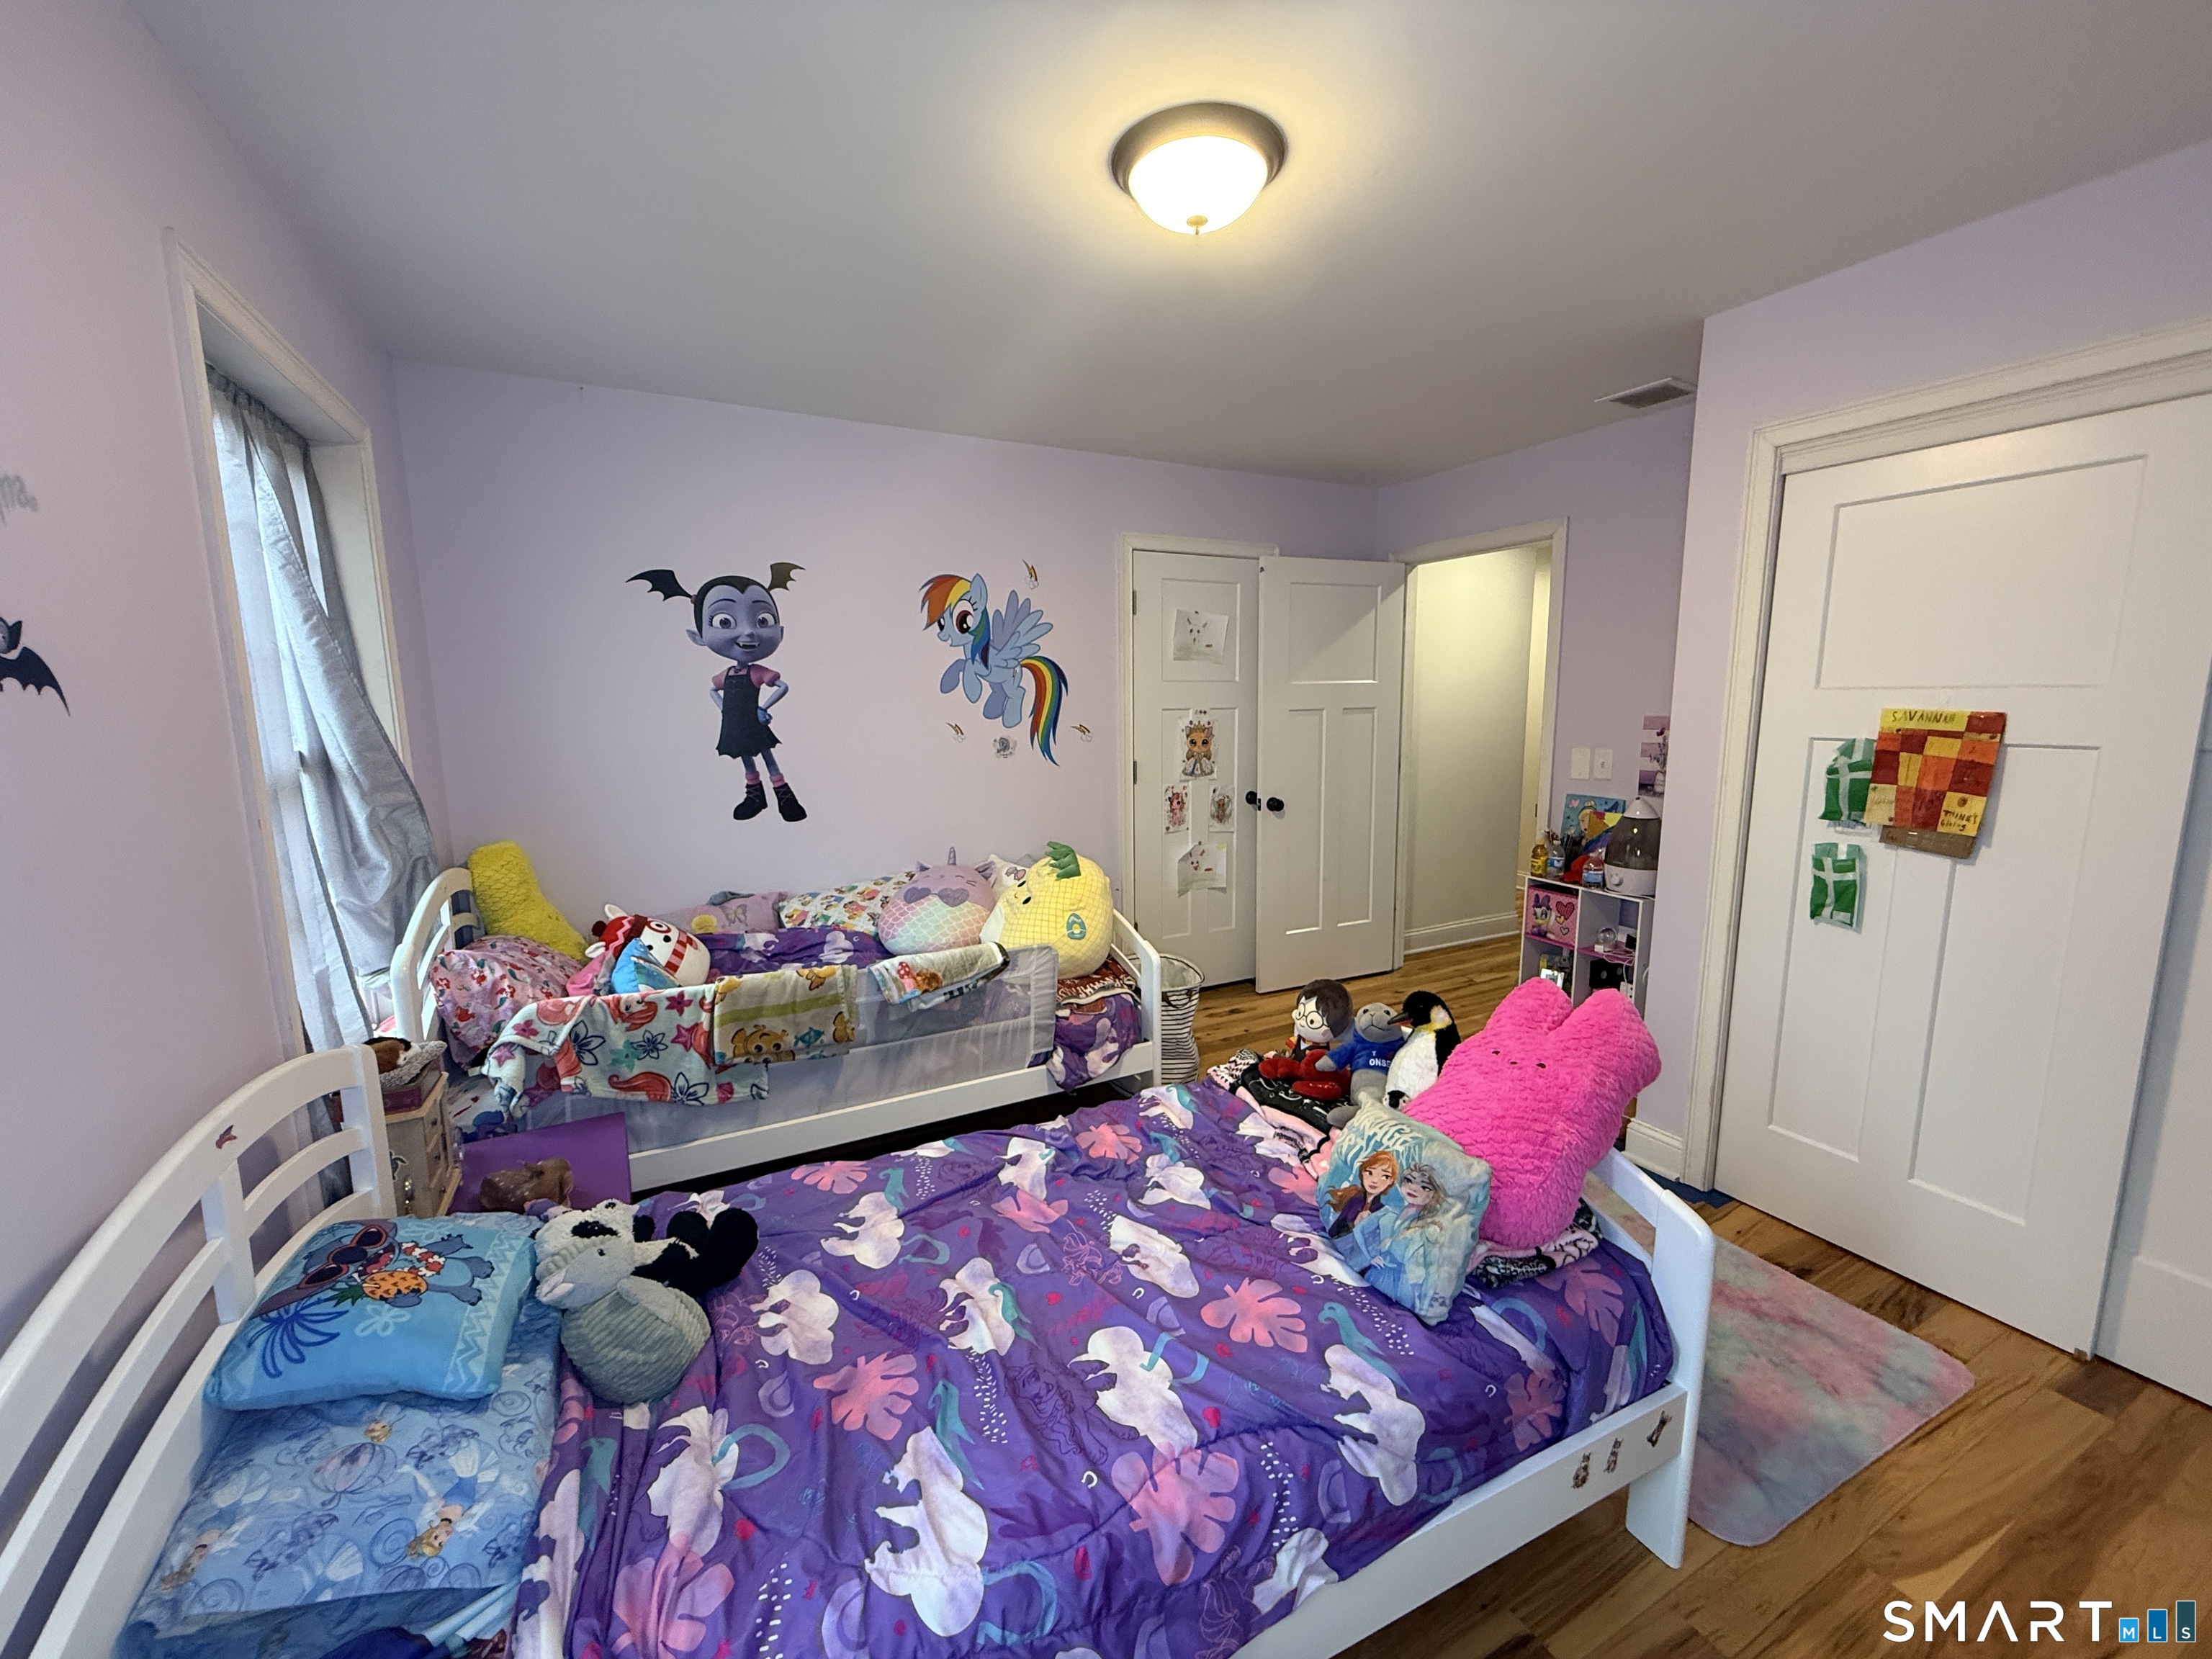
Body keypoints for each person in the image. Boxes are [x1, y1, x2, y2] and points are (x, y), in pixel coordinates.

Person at [1325, 1148, 1399, 1269]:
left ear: (1391, 1181)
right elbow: (1334, 1232)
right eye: (1370, 1172)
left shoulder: (1383, 1211)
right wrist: (1353, 1225)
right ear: (1363, 1172)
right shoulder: (1354, 1200)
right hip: (1340, 1251)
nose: (1375, 1180)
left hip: (1363, 1262)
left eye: (1385, 1176)